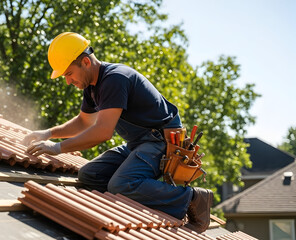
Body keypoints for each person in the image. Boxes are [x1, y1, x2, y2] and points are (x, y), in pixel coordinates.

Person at [22, 32, 213, 233]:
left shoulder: (114, 79)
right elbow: (84, 122)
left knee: (121, 184)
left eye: (69, 73)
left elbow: (102, 132)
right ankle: (138, 198)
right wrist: (49, 134)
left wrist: (58, 148)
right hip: (138, 143)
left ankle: (194, 198)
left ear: (85, 62)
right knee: (89, 174)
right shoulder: (92, 87)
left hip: (161, 143)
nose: (68, 81)